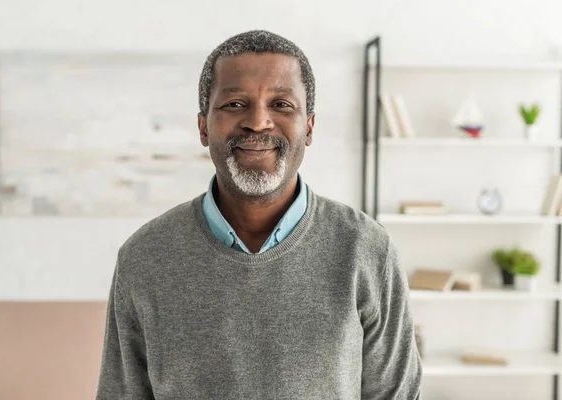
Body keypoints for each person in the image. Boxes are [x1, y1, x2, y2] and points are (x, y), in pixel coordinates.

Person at [96, 29, 422, 399]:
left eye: (281, 104)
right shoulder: (145, 257)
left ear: (309, 127)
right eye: (235, 104)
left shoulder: (367, 250)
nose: (258, 122)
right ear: (203, 126)